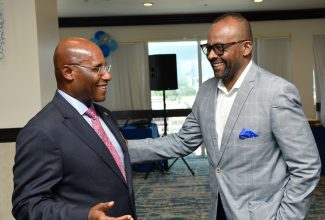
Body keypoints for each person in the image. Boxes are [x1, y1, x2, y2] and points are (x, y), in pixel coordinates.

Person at [128, 13, 321, 220]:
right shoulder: (205, 91)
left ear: (246, 47)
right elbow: (182, 142)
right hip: (219, 208)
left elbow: (306, 167)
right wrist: (119, 147)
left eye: (220, 47)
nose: (211, 55)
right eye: (208, 48)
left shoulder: (277, 92)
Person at [12, 37, 135, 220]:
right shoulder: (41, 130)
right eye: (97, 69)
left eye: (105, 67)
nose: (107, 76)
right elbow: (27, 205)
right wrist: (86, 216)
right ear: (68, 72)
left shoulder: (105, 115)